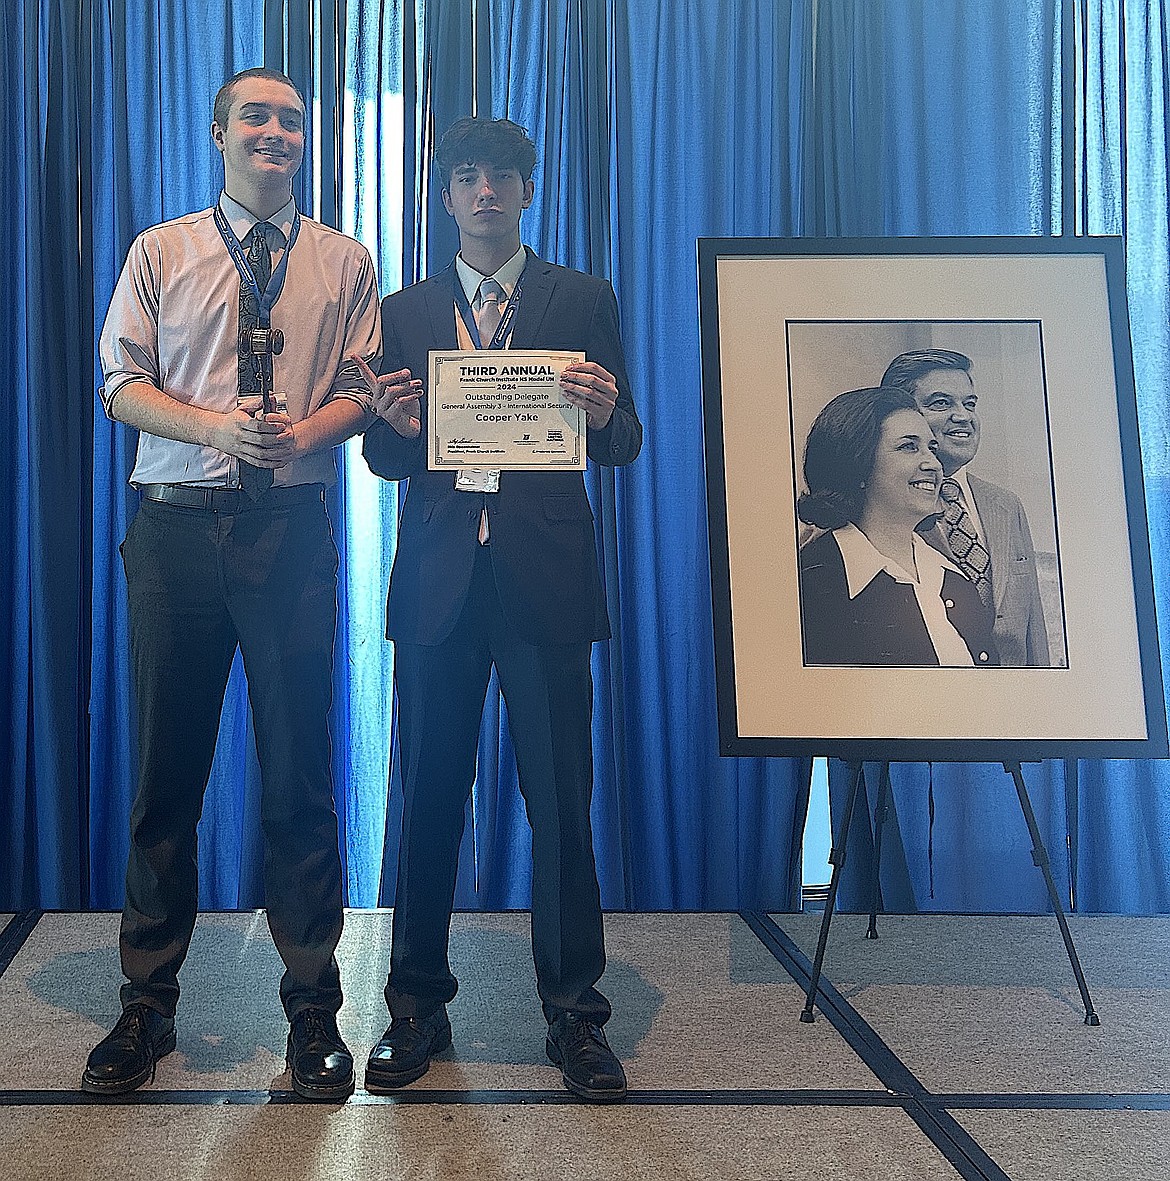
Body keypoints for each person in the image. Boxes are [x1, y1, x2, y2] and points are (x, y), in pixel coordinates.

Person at [85, 67, 381, 1100]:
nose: (276, 132)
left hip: (291, 531)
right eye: (256, 116)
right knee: (168, 778)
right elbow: (118, 385)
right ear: (218, 132)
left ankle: (312, 1014)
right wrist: (218, 428)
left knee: (301, 778)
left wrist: (304, 432)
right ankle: (145, 1006)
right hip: (176, 533)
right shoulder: (161, 250)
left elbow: (360, 387)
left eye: (293, 120)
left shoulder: (344, 258)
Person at [357, 117, 641, 1102]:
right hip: (440, 587)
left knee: (562, 805)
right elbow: (389, 458)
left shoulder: (582, 297)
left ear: (527, 191)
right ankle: (414, 1007)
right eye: (467, 178)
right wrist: (391, 427)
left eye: (503, 178)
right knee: (426, 803)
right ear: (445, 196)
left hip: (546, 585)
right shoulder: (404, 311)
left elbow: (624, 438)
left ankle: (576, 1018)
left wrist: (607, 413)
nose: (486, 193)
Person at [798, 386, 997, 667]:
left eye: (932, 448)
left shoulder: (955, 581)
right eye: (908, 447)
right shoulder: (812, 584)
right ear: (858, 463)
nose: (932, 464)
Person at [881, 349, 1050, 666]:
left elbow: (1033, 632)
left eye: (969, 404)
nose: (963, 416)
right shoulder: (881, 505)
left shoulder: (1006, 505)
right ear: (899, 415)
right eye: (941, 403)